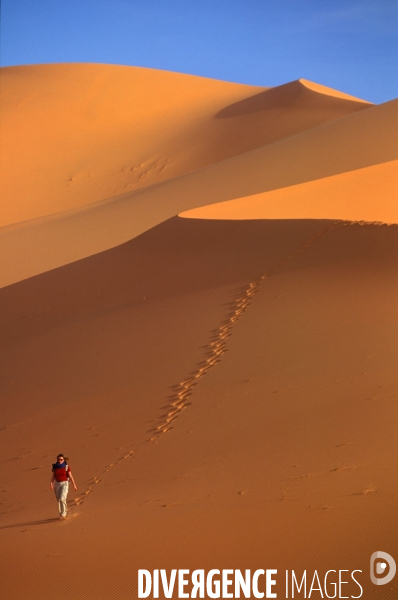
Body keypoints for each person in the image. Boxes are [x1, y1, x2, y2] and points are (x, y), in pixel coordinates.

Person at [50, 453, 77, 520]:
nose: (60, 461)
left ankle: (63, 514)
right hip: (57, 484)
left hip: (65, 483)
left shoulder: (66, 467)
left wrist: (74, 485)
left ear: (64, 460)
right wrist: (51, 483)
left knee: (62, 498)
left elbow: (70, 476)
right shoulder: (55, 467)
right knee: (59, 499)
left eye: (61, 459)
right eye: (58, 459)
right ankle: (61, 513)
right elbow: (53, 476)